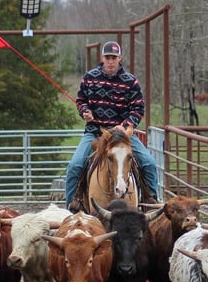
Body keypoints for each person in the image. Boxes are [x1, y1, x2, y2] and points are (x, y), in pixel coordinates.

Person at [64, 41, 159, 209]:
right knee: (75, 165)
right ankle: (72, 205)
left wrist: (125, 125)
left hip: (122, 136)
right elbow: (81, 100)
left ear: (119, 58)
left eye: (113, 58)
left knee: (149, 163)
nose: (110, 61)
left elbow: (138, 108)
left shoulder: (130, 82)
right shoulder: (90, 78)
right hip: (95, 133)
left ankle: (150, 201)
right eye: (107, 57)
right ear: (102, 58)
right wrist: (85, 111)